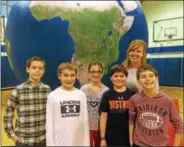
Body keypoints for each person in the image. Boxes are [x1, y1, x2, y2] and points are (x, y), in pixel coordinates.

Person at [129, 64, 183, 147]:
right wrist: (131, 140)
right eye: (143, 76)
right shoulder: (134, 99)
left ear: (156, 78)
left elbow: (178, 125)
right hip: (139, 144)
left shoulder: (167, 101)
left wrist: (176, 145)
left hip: (161, 144)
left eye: (151, 76)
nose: (148, 79)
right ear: (138, 80)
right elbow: (131, 120)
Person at [4, 56, 51, 147]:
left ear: (43, 71)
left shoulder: (47, 90)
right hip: (23, 141)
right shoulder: (18, 90)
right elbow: (8, 113)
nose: (37, 70)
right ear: (27, 69)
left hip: (42, 140)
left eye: (40, 68)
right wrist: (12, 135)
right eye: (34, 68)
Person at [46, 62, 90, 146]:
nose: (69, 79)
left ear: (76, 76)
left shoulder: (81, 95)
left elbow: (85, 122)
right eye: (65, 75)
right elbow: (49, 124)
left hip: (78, 143)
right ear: (59, 76)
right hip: (59, 142)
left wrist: (86, 144)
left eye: (72, 75)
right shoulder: (52, 96)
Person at [99, 64, 135, 147]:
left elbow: (134, 118)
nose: (119, 78)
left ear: (126, 77)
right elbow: (103, 117)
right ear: (111, 78)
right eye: (115, 76)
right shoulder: (106, 95)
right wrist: (102, 138)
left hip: (127, 136)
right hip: (110, 136)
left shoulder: (132, 95)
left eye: (121, 76)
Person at [80, 62, 109, 147]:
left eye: (98, 71)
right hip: (86, 128)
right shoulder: (83, 89)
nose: (96, 74)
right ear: (89, 73)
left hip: (101, 129)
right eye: (93, 72)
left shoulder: (106, 91)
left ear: (102, 73)